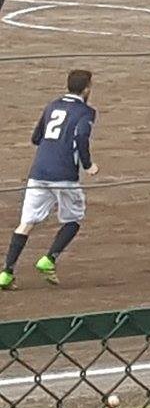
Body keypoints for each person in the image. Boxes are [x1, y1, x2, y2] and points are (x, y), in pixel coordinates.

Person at [1, 69, 98, 290]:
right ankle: (49, 259)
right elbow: (81, 136)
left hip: (39, 172)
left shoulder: (52, 105)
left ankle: (6, 273)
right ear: (87, 89)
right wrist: (88, 165)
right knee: (73, 218)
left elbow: (36, 138)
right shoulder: (86, 112)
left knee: (26, 223)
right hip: (63, 175)